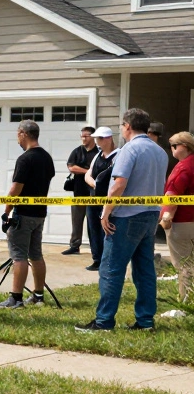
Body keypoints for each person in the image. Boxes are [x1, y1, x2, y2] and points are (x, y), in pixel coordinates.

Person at [78, 108, 167, 332]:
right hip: (150, 215)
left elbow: (118, 184)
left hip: (126, 216)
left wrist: (106, 212)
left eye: (121, 126)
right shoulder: (160, 152)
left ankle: (104, 321)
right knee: (145, 271)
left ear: (127, 126)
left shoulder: (129, 150)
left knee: (110, 269)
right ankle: (145, 321)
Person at [0, 120, 57, 309]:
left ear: (23, 133)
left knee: (19, 256)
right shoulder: (46, 157)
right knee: (36, 254)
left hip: (23, 214)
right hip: (39, 213)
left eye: (18, 134)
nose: (17, 139)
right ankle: (38, 295)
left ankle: (16, 298)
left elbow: (15, 189)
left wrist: (6, 212)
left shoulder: (25, 159)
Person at [160, 130, 194, 303]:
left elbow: (172, 197)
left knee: (184, 264)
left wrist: (166, 218)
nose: (172, 149)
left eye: (174, 145)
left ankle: (187, 300)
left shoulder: (183, 168)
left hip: (182, 223)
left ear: (185, 147)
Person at [83, 127, 118, 272]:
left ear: (109, 139)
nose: (98, 141)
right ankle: (96, 259)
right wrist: (95, 184)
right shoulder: (97, 155)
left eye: (101, 138)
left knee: (107, 230)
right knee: (93, 229)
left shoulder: (118, 155)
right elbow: (88, 174)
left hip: (107, 200)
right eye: (97, 138)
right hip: (93, 199)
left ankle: (107, 259)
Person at [64, 126, 98, 255]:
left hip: (94, 193)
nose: (83, 138)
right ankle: (74, 246)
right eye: (82, 136)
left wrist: (86, 172)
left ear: (93, 136)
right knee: (76, 221)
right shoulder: (77, 151)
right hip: (78, 192)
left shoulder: (98, 152)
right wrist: (88, 172)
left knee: (93, 223)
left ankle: (95, 248)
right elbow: (71, 167)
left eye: (86, 136)